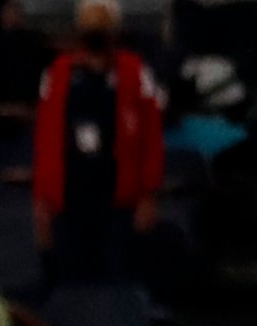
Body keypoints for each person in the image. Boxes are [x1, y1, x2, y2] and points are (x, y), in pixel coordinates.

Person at [30, 0, 163, 286]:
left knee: (117, 279)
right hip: (69, 198)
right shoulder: (58, 73)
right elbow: (44, 140)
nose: (95, 31)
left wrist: (148, 195)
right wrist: (42, 199)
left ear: (114, 29)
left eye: (101, 25)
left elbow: (152, 137)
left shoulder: (135, 72)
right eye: (89, 25)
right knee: (71, 280)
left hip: (118, 200)